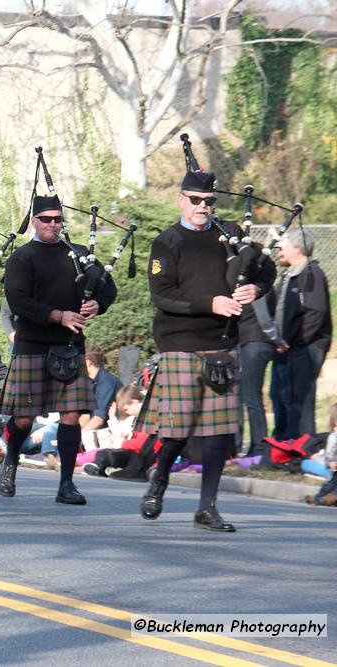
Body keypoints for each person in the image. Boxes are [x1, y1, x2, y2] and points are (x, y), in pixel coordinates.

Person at [135, 168, 271, 532]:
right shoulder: (167, 242)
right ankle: (159, 478)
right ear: (181, 200)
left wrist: (255, 289)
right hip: (179, 343)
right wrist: (210, 303)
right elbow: (162, 295)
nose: (203, 207)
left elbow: (267, 269)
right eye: (195, 200)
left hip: (222, 345)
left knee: (218, 432)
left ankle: (206, 507)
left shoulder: (231, 236)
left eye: (209, 201)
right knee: (177, 430)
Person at [0, 194, 117, 505]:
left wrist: (96, 304)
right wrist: (58, 315)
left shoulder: (77, 256)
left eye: (57, 219)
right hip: (31, 345)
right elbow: (19, 301)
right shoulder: (22, 258)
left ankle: (66, 483)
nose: (52, 224)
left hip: (69, 347)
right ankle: (11, 460)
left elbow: (108, 286)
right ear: (34, 221)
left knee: (71, 414)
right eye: (46, 219)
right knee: (23, 418)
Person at [269, 228, 332, 439]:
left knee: (301, 398)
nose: (279, 250)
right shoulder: (290, 274)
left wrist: (294, 340)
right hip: (287, 346)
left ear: (297, 248)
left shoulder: (310, 273)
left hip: (306, 347)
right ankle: (284, 442)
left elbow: (316, 312)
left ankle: (304, 445)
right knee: (281, 394)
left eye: (283, 245)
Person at [237, 253, 279, 457]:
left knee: (251, 395)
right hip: (250, 342)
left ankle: (259, 446)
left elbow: (264, 320)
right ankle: (249, 445)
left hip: (256, 342)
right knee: (245, 394)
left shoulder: (256, 288)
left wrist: (277, 339)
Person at [81, 345, 122, 433]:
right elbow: (85, 416)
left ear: (88, 363)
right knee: (53, 429)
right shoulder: (89, 382)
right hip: (94, 431)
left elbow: (98, 419)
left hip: (111, 432)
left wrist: (77, 438)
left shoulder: (107, 382)